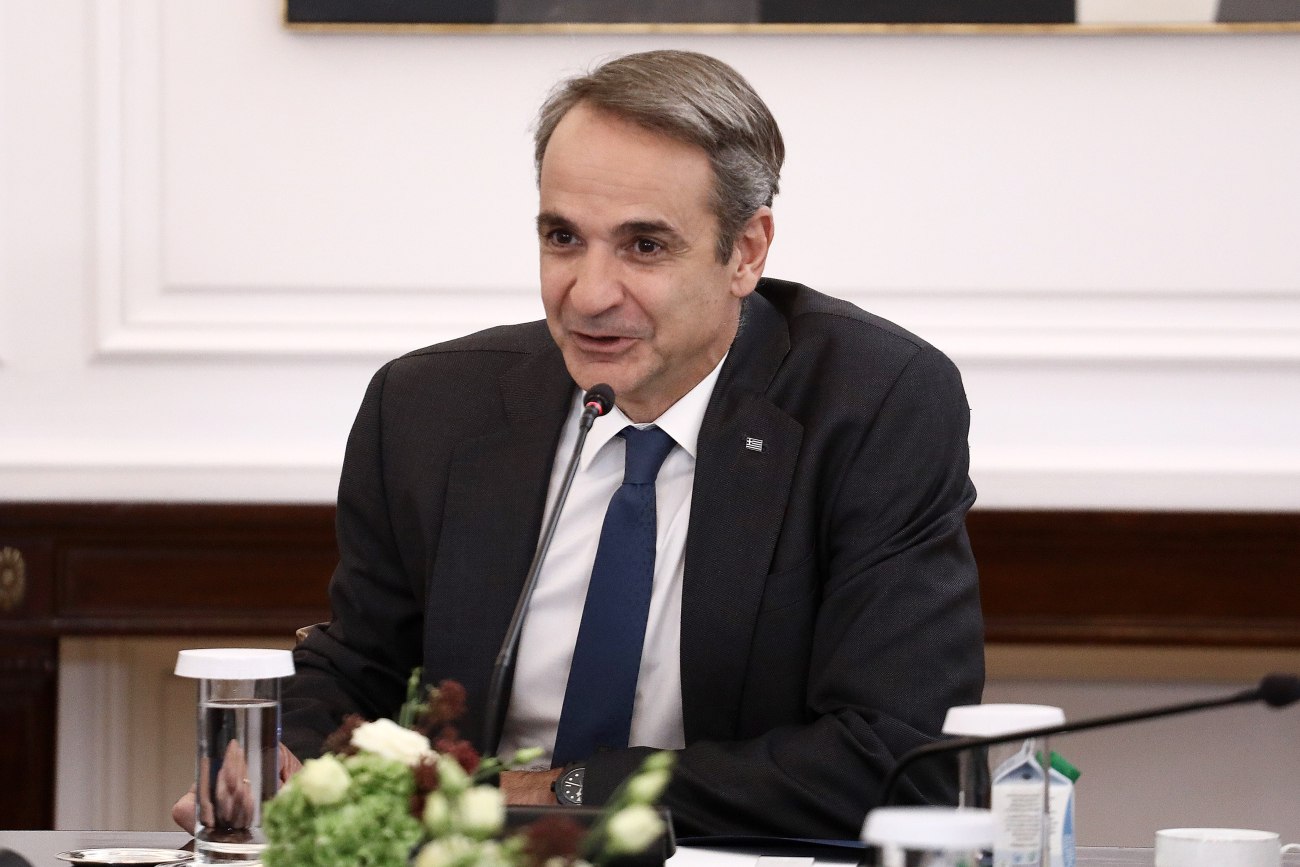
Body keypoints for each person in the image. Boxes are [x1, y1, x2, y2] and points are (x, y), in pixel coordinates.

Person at [175, 49, 983, 839]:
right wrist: (278, 757)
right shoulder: (427, 408)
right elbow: (364, 668)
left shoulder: (872, 403)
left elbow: (893, 751)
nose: (589, 295)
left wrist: (558, 793)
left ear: (745, 251)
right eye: (563, 238)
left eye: (644, 246)